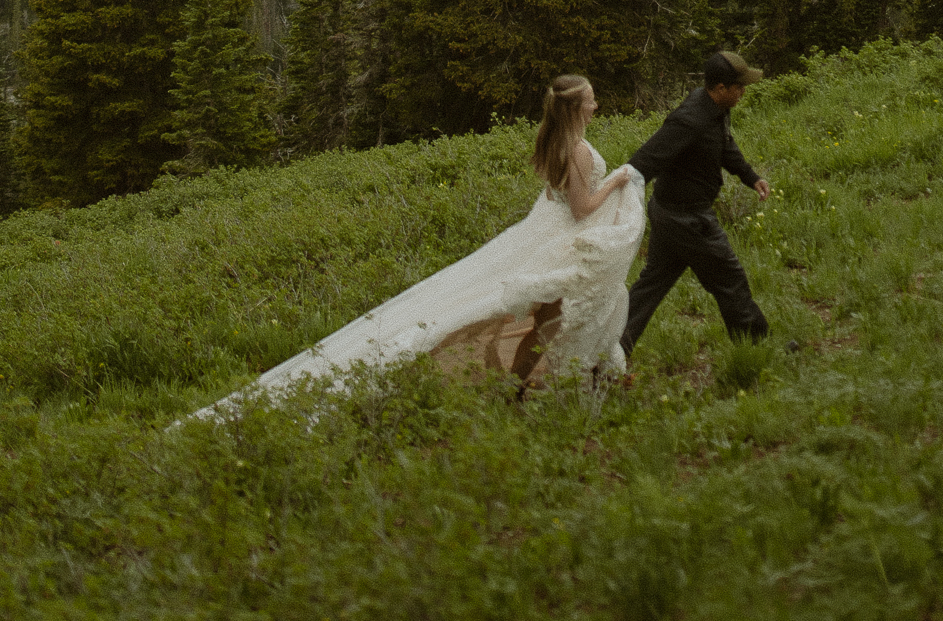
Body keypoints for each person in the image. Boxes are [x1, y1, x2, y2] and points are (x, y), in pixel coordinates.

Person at [189, 75, 644, 420]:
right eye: (591, 100)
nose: (596, 104)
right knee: (542, 313)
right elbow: (583, 209)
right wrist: (618, 179)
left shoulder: (556, 140)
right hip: (559, 238)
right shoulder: (580, 150)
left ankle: (537, 388)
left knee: (546, 314)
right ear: (578, 108)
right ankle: (530, 390)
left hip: (546, 232)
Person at [598, 51, 772, 357]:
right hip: (688, 219)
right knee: (730, 279)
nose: (743, 91)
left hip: (669, 214)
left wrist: (750, 176)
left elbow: (724, 144)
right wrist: (608, 196)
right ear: (720, 88)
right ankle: (758, 348)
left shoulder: (715, 108)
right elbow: (647, 158)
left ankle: (610, 352)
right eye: (738, 87)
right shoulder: (689, 120)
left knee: (651, 286)